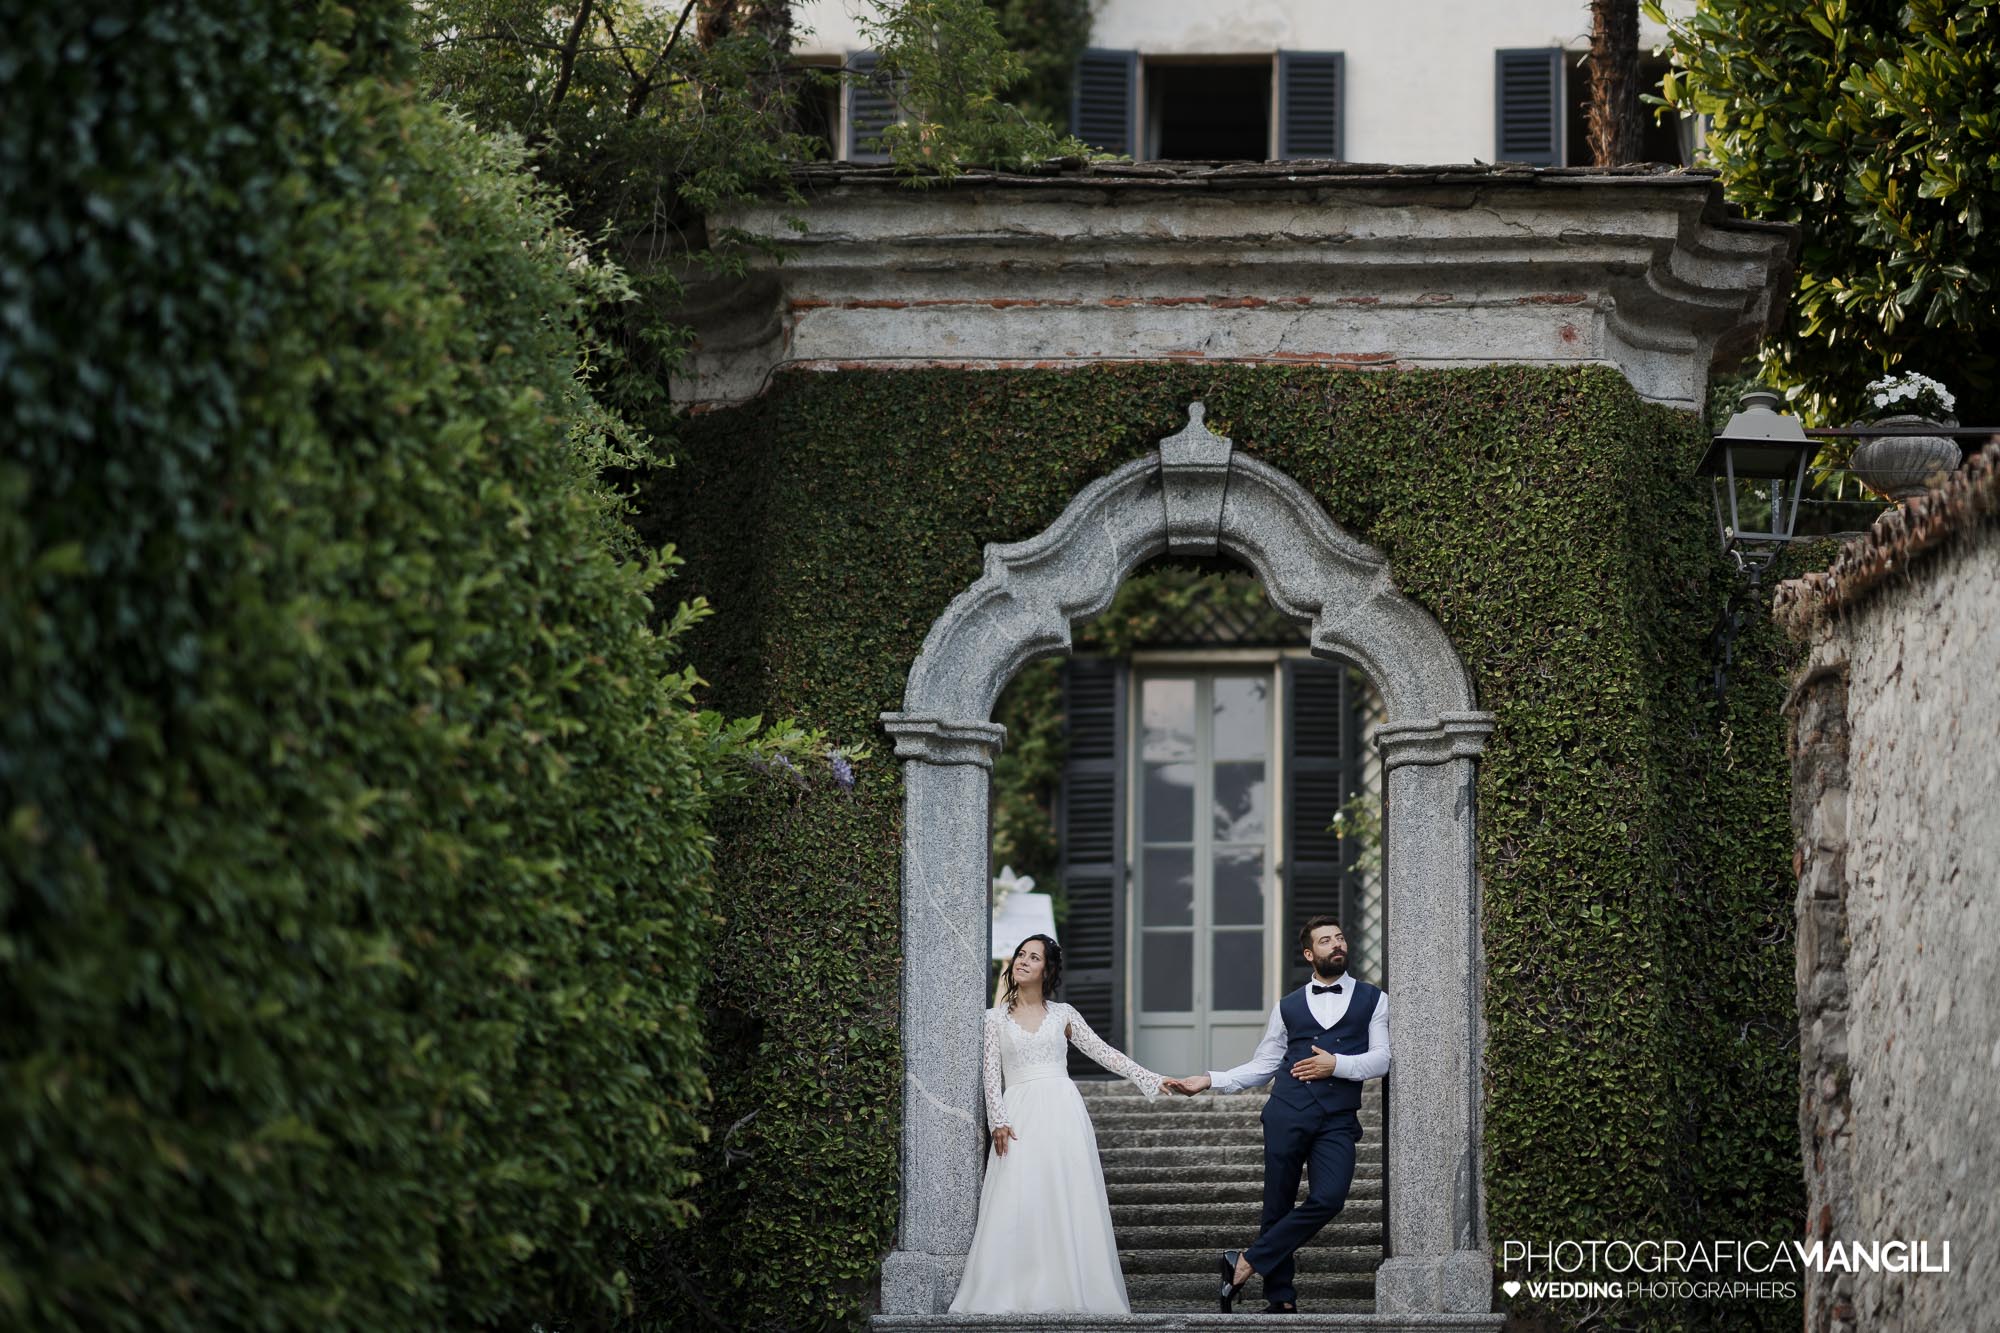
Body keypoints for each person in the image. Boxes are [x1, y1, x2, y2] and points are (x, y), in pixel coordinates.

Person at [1163, 917, 1390, 1315]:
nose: (1336, 945)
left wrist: (1334, 1065)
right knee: (1278, 1204)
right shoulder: (1287, 1006)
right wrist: (1210, 1079)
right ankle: (1280, 1297)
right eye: (1325, 941)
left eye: (1339, 938)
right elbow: (1264, 1064)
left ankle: (1245, 1262)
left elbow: (1381, 1059)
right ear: (1309, 954)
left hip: (1337, 1118)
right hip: (1287, 1111)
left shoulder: (1374, 998)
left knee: (1329, 1198)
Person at [948, 933, 1168, 1314]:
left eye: (1033, 957)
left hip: (1063, 1112)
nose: (1023, 961)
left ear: (1047, 969)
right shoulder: (994, 1018)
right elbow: (990, 1072)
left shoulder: (1064, 1015)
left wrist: (1150, 1078)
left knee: (1066, 1195)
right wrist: (997, 1119)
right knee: (1018, 1197)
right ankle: (1013, 1291)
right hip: (1019, 1113)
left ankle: (1071, 1289)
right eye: (1020, 955)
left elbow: (1104, 1053)